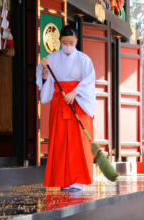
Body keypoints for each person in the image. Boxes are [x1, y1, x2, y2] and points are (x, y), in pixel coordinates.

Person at [36, 25, 96, 190]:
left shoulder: (84, 59)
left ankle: (78, 180)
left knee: (78, 142)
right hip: (60, 102)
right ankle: (62, 179)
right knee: (60, 142)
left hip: (78, 104)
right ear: (60, 41)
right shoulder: (52, 57)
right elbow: (45, 80)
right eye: (64, 42)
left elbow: (90, 81)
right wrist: (44, 71)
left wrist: (75, 92)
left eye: (71, 42)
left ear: (76, 41)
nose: (68, 45)